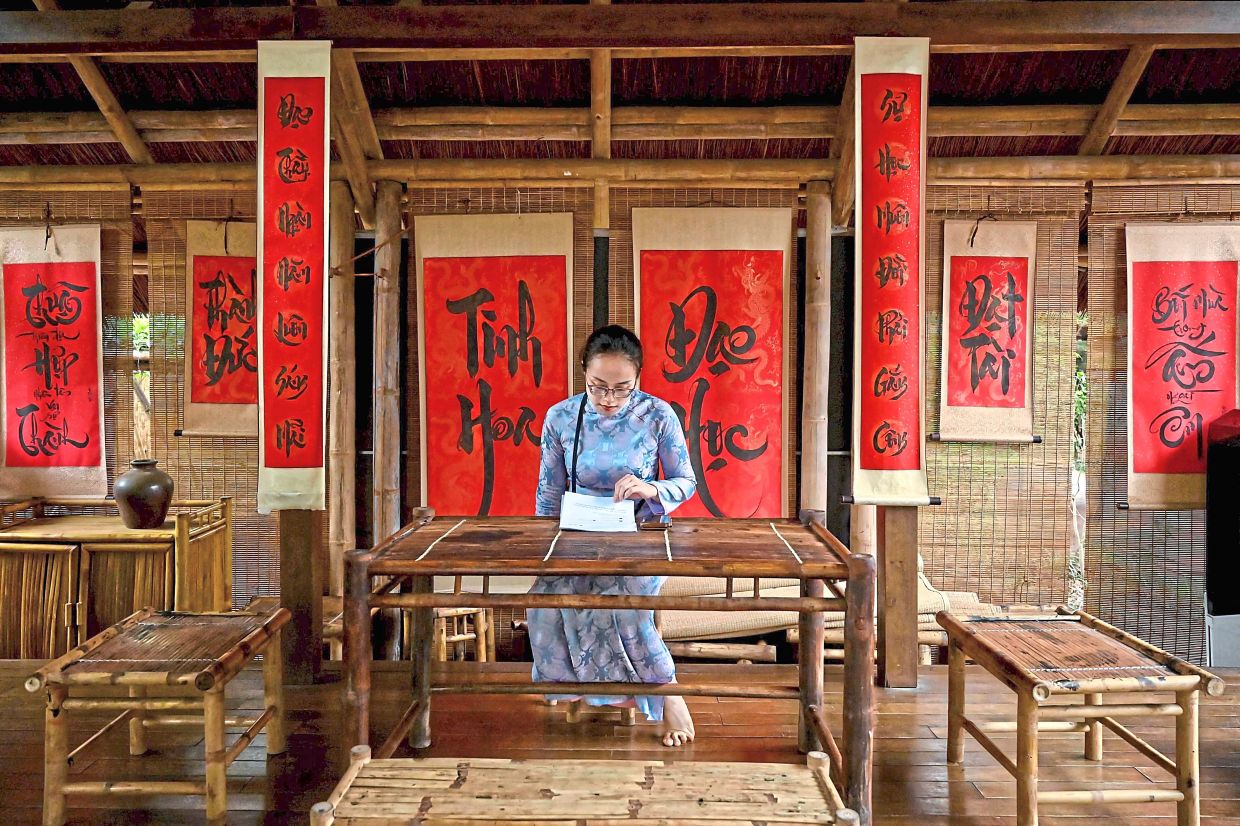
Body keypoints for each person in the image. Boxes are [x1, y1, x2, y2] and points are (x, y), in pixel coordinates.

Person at [529, 324, 698, 747]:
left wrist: (650, 488)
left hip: (638, 534)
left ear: (638, 378)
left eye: (622, 389)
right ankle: (583, 688)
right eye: (598, 387)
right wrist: (545, 550)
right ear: (583, 373)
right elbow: (549, 492)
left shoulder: (657, 415)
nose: (608, 399)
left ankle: (668, 693)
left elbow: (686, 482)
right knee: (545, 599)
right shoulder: (561, 417)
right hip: (578, 533)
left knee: (625, 604)